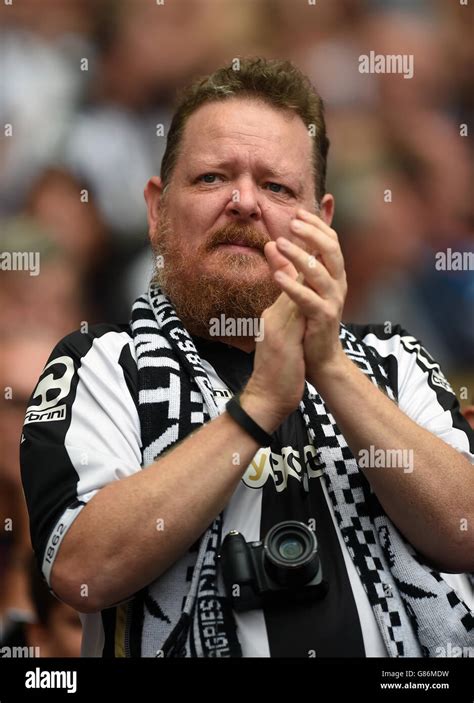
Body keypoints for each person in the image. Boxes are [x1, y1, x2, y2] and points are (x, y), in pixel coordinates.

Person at [20, 58, 474, 658]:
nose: (244, 202)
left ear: (322, 223)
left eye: (277, 186)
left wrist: (333, 369)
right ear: (157, 211)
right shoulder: (101, 365)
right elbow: (80, 570)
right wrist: (258, 406)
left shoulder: (394, 361)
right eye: (211, 178)